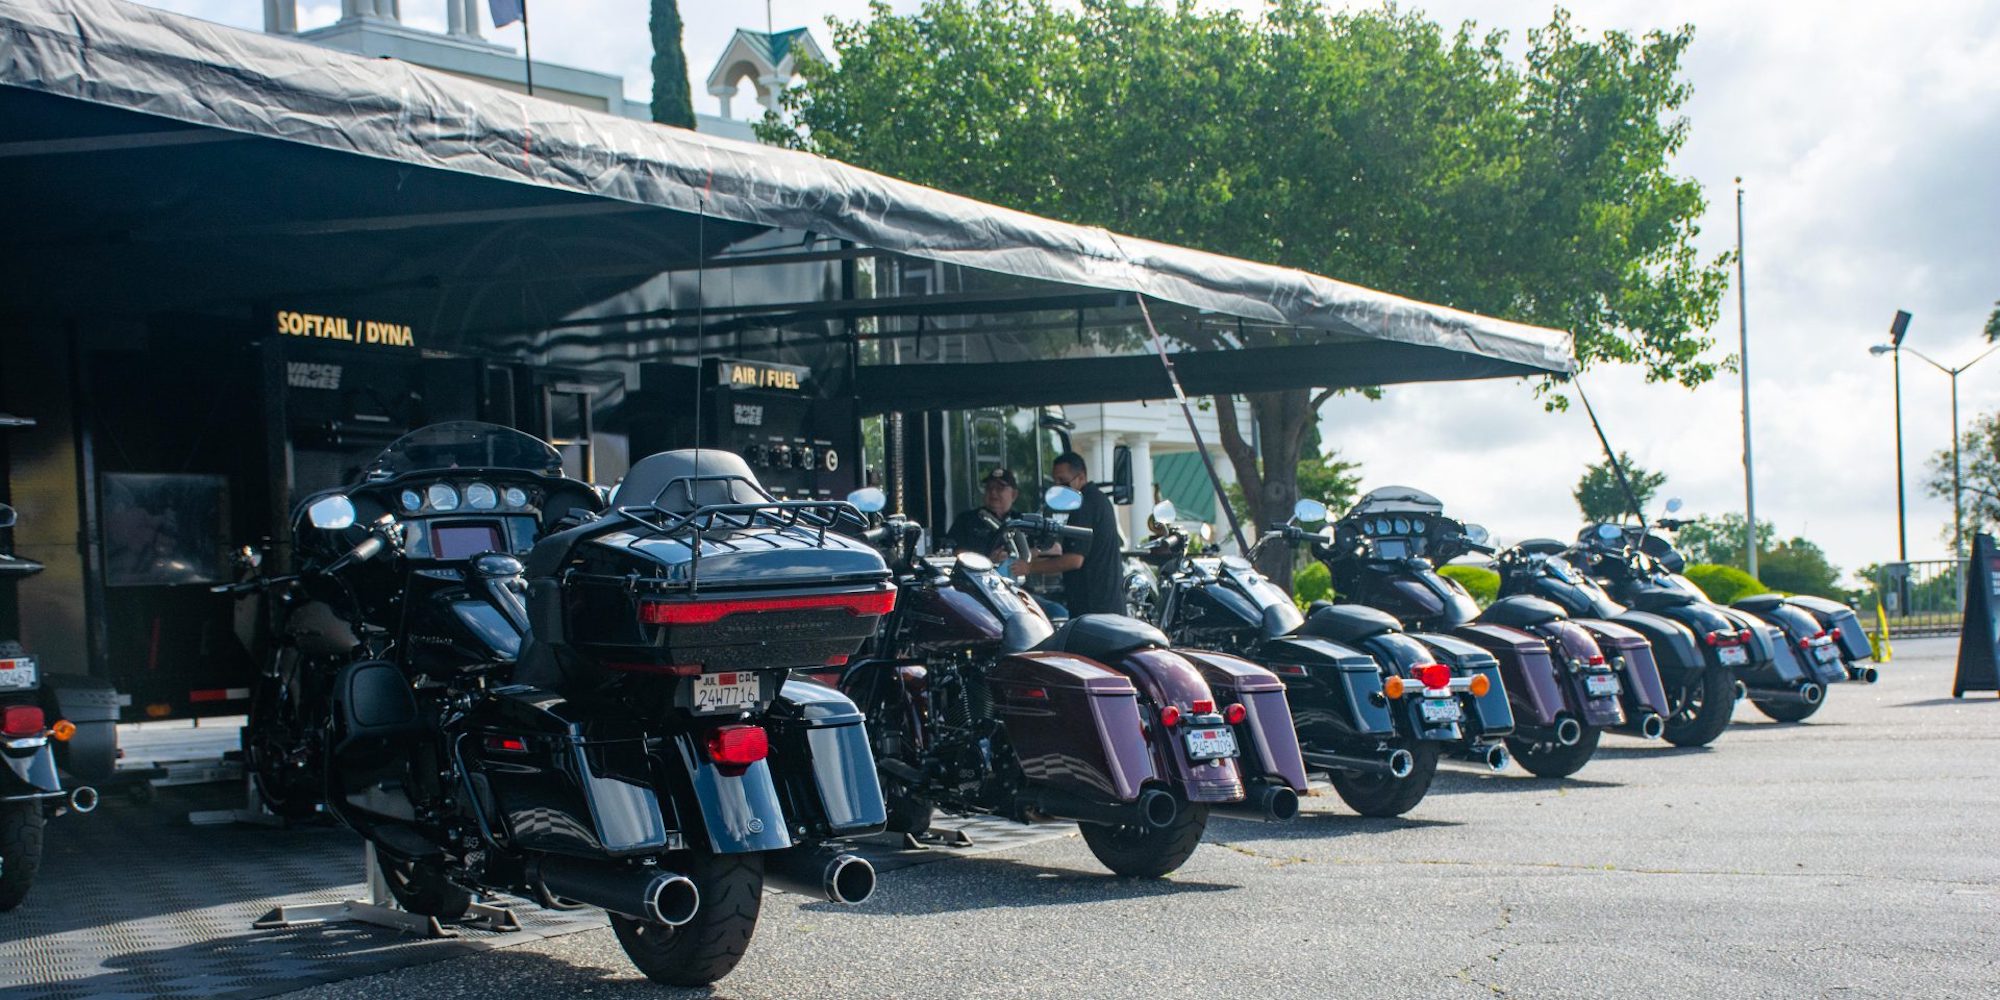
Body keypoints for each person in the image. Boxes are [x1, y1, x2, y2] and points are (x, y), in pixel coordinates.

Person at [1016, 451, 1123, 615]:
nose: (1058, 487)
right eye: (1055, 482)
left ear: (1081, 478)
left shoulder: (1083, 504)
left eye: (1063, 481)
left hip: (1092, 605)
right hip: (1107, 603)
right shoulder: (1100, 500)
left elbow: (1074, 560)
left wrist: (1029, 567)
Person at [945, 467, 1019, 563]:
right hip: (977, 576)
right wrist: (987, 559)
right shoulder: (966, 520)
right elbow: (954, 553)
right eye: (989, 488)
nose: (993, 492)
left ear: (1014, 494)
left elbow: (1038, 555)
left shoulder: (1022, 522)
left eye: (1000, 488)